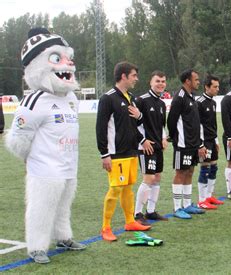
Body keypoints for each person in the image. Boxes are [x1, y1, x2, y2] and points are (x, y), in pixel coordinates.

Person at [5, 27, 86, 264]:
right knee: (41, 208)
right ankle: (37, 247)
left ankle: (63, 236)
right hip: (45, 168)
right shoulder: (34, 100)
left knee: (63, 206)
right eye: (57, 58)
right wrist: (34, 161)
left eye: (68, 58)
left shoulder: (71, 98)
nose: (67, 65)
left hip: (68, 164)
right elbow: (18, 139)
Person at [96, 62, 151, 241]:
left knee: (128, 189)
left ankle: (129, 221)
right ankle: (105, 228)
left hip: (131, 151)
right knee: (115, 190)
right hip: (116, 153)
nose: (136, 79)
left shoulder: (131, 97)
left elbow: (136, 124)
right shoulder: (108, 98)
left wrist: (140, 116)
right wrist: (104, 154)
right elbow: (100, 128)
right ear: (123, 76)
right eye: (134, 75)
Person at [167, 69, 207, 219]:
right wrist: (174, 138)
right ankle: (177, 208)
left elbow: (195, 122)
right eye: (196, 79)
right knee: (180, 172)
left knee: (190, 171)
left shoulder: (191, 97)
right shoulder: (180, 97)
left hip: (193, 143)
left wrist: (199, 143)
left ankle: (187, 204)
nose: (198, 82)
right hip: (182, 144)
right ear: (187, 81)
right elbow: (171, 120)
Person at [133, 71, 169, 225]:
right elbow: (131, 124)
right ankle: (137, 213)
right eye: (157, 81)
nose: (160, 84)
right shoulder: (141, 100)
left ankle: (151, 211)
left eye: (163, 81)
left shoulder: (161, 103)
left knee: (157, 177)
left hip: (158, 145)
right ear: (150, 82)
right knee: (148, 178)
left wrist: (163, 137)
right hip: (145, 147)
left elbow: (161, 125)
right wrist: (142, 140)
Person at [196, 75, 224, 209]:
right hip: (204, 140)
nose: (217, 89)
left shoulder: (213, 102)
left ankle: (209, 196)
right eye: (215, 87)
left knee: (214, 167)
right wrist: (200, 143)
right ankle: (201, 200)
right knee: (205, 168)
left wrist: (216, 139)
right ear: (207, 87)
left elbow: (213, 124)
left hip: (212, 140)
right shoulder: (200, 102)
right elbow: (198, 124)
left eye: (218, 86)